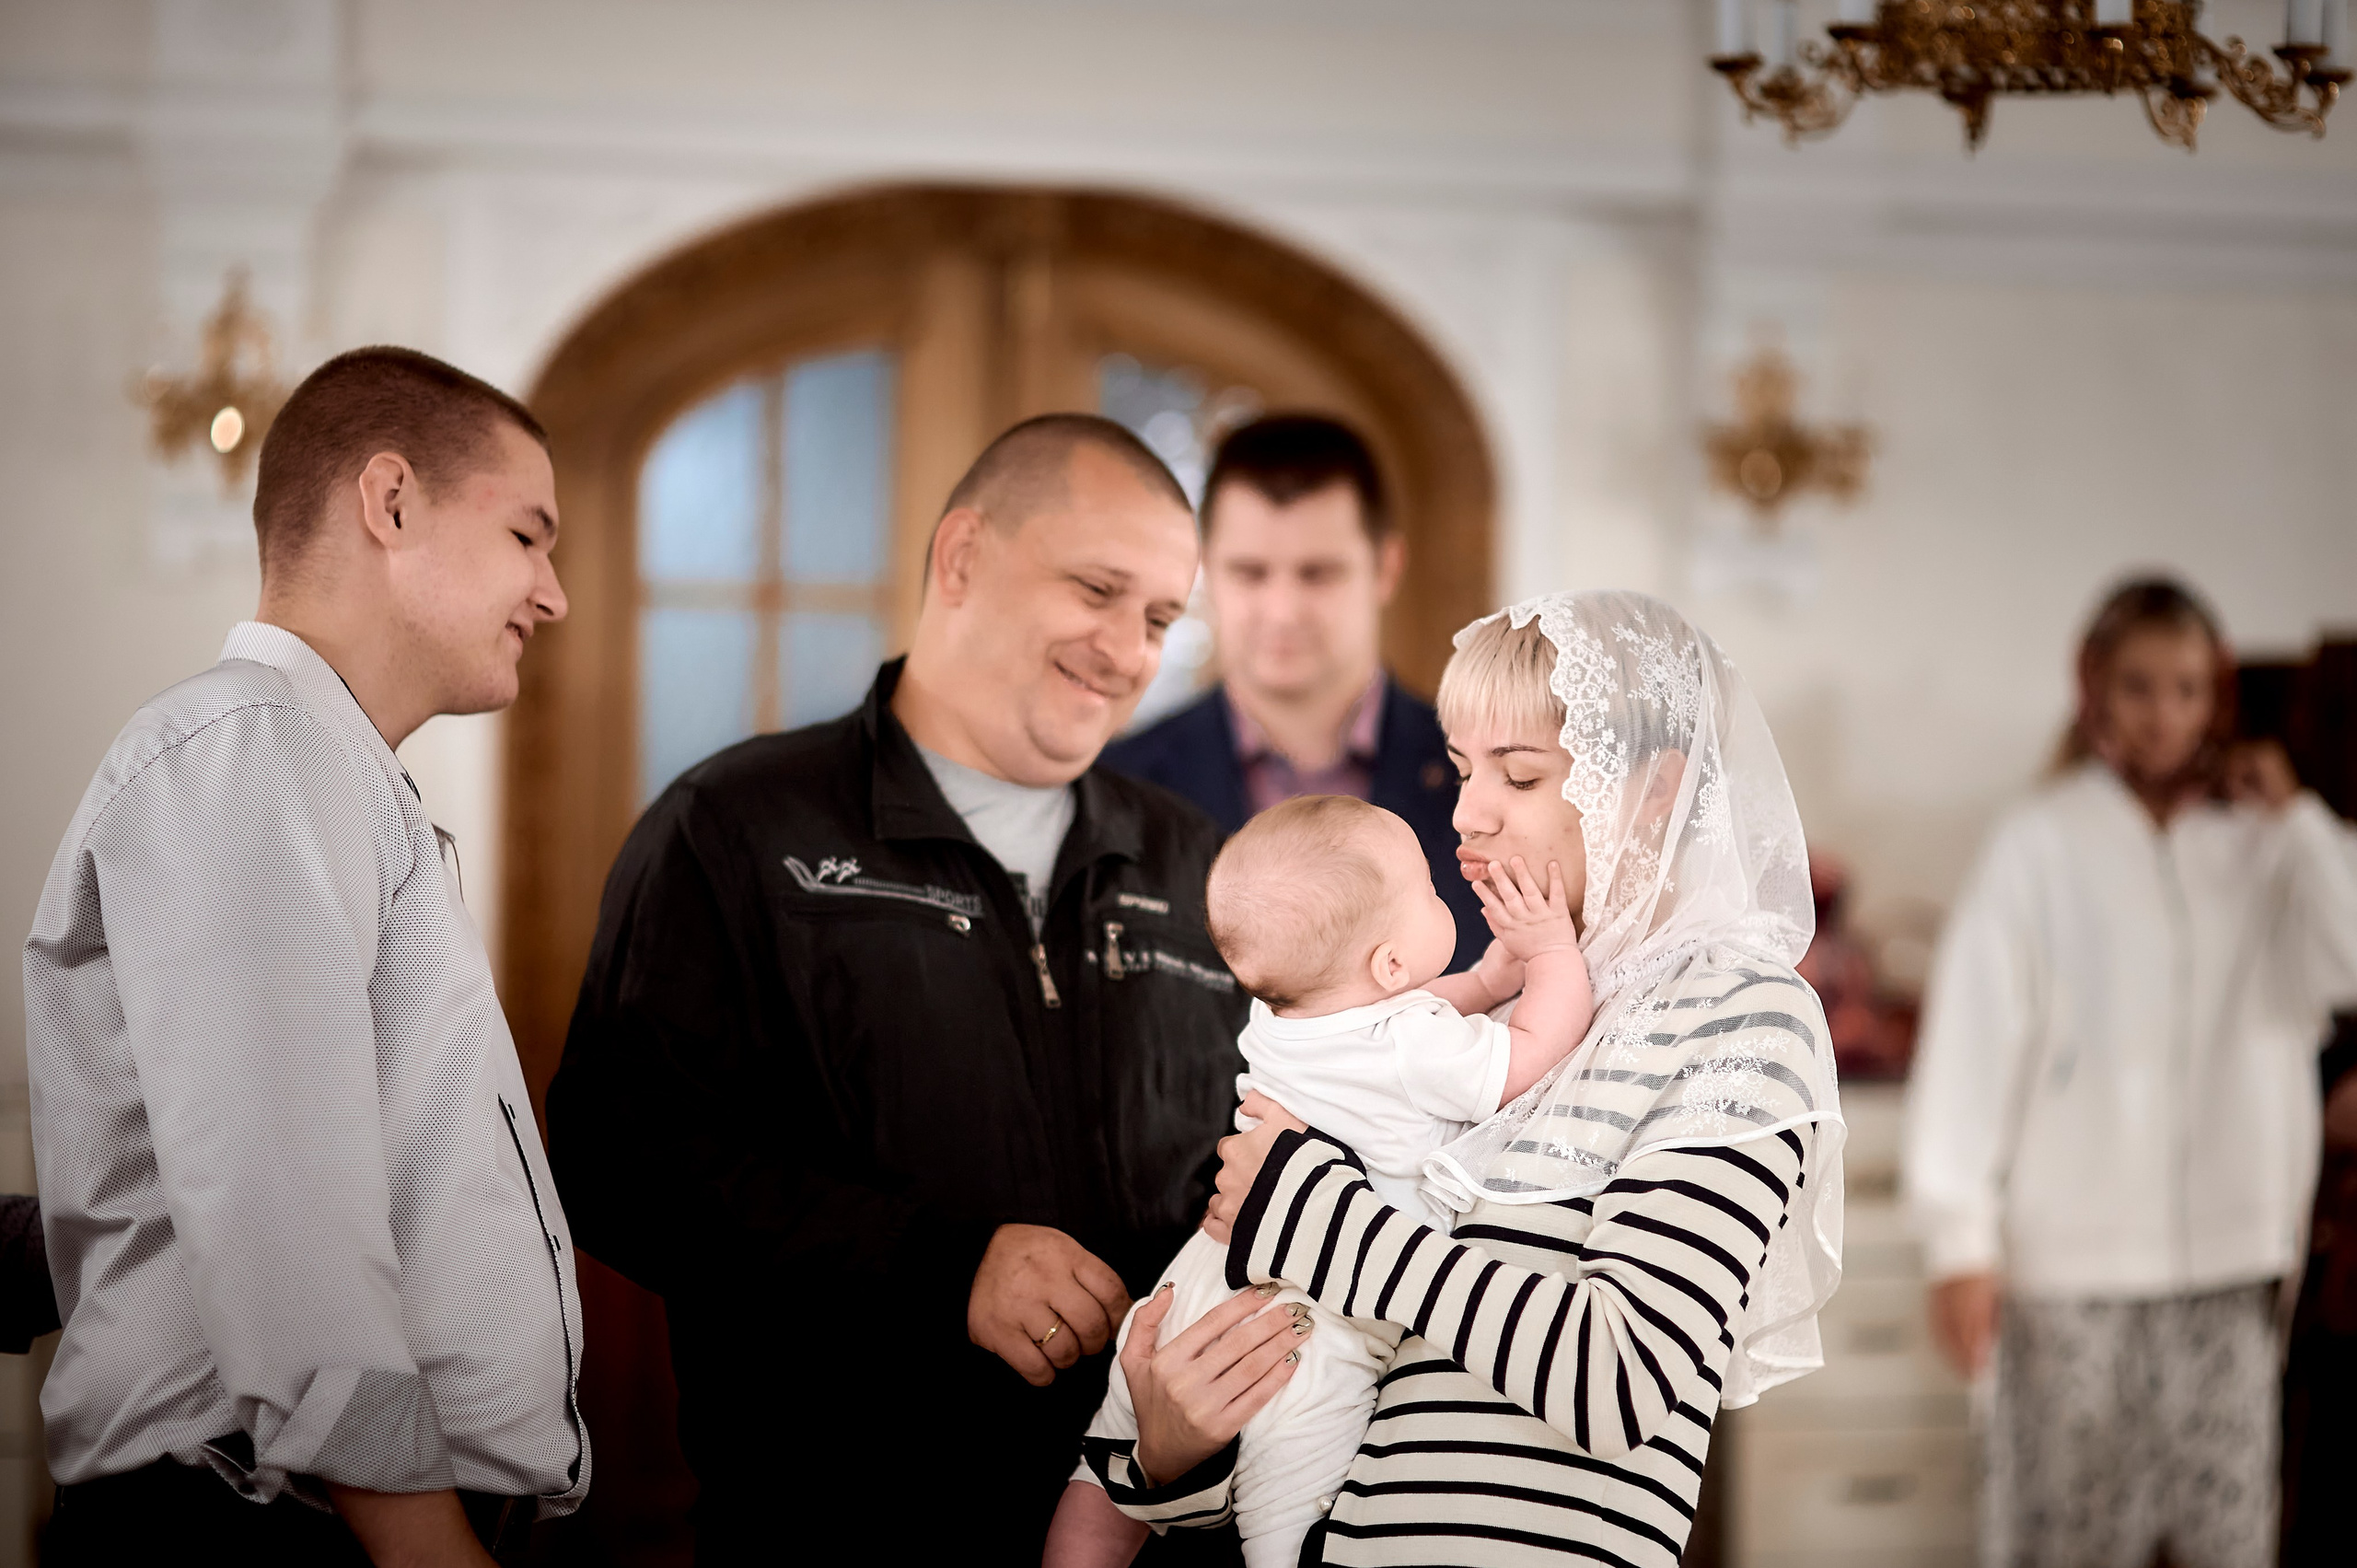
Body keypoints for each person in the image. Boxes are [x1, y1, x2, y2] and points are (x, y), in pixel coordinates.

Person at [547, 415, 1251, 1563]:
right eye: (1097, 589)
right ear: (962, 556)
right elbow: (615, 1152)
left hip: (1163, 1528)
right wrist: (938, 1265)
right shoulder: (739, 825)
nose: (1129, 650)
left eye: (1161, 618)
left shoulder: (1196, 864)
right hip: (839, 1527)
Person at [1085, 591, 1846, 1568]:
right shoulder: (1474, 1014)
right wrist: (1174, 1450)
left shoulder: (1739, 1015)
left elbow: (1617, 1377)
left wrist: (1324, 1220)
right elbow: (1344, 1390)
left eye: (1518, 774)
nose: (1465, 810)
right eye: (1460, 766)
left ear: (1655, 789)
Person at [22, 346, 585, 1565]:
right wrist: (426, 1544)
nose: (553, 594)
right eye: (528, 536)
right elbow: (285, 1211)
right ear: (390, 502)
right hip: (272, 1524)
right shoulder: (253, 750)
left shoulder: (318, 768)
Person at [1904, 576, 2357, 1568]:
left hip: (2232, 1264)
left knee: (2227, 1537)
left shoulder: (2267, 844)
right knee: (2066, 1536)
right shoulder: (2036, 840)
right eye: (2139, 685)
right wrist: (1960, 1240)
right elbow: (1974, 1042)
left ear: (2219, 695)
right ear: (2094, 689)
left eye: (2187, 688)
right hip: (2071, 1271)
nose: (2164, 713)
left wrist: (2301, 822)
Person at [1047, 798, 1595, 1567]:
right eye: (1431, 892)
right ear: (1392, 964)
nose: (1445, 893)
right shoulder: (1414, 1042)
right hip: (1315, 1322)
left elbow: (1415, 1013)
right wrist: (1549, 956)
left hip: (1199, 1284)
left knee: (1101, 1479)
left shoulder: (1283, 1018)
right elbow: (1527, 1048)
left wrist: (1483, 975)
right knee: (1288, 1524)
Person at [1103, 415, 1483, 971]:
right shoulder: (1117, 789)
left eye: (1317, 574)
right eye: (1251, 573)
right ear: (1203, 569)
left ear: (1386, 567)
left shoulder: (1490, 776)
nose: (1281, 612)